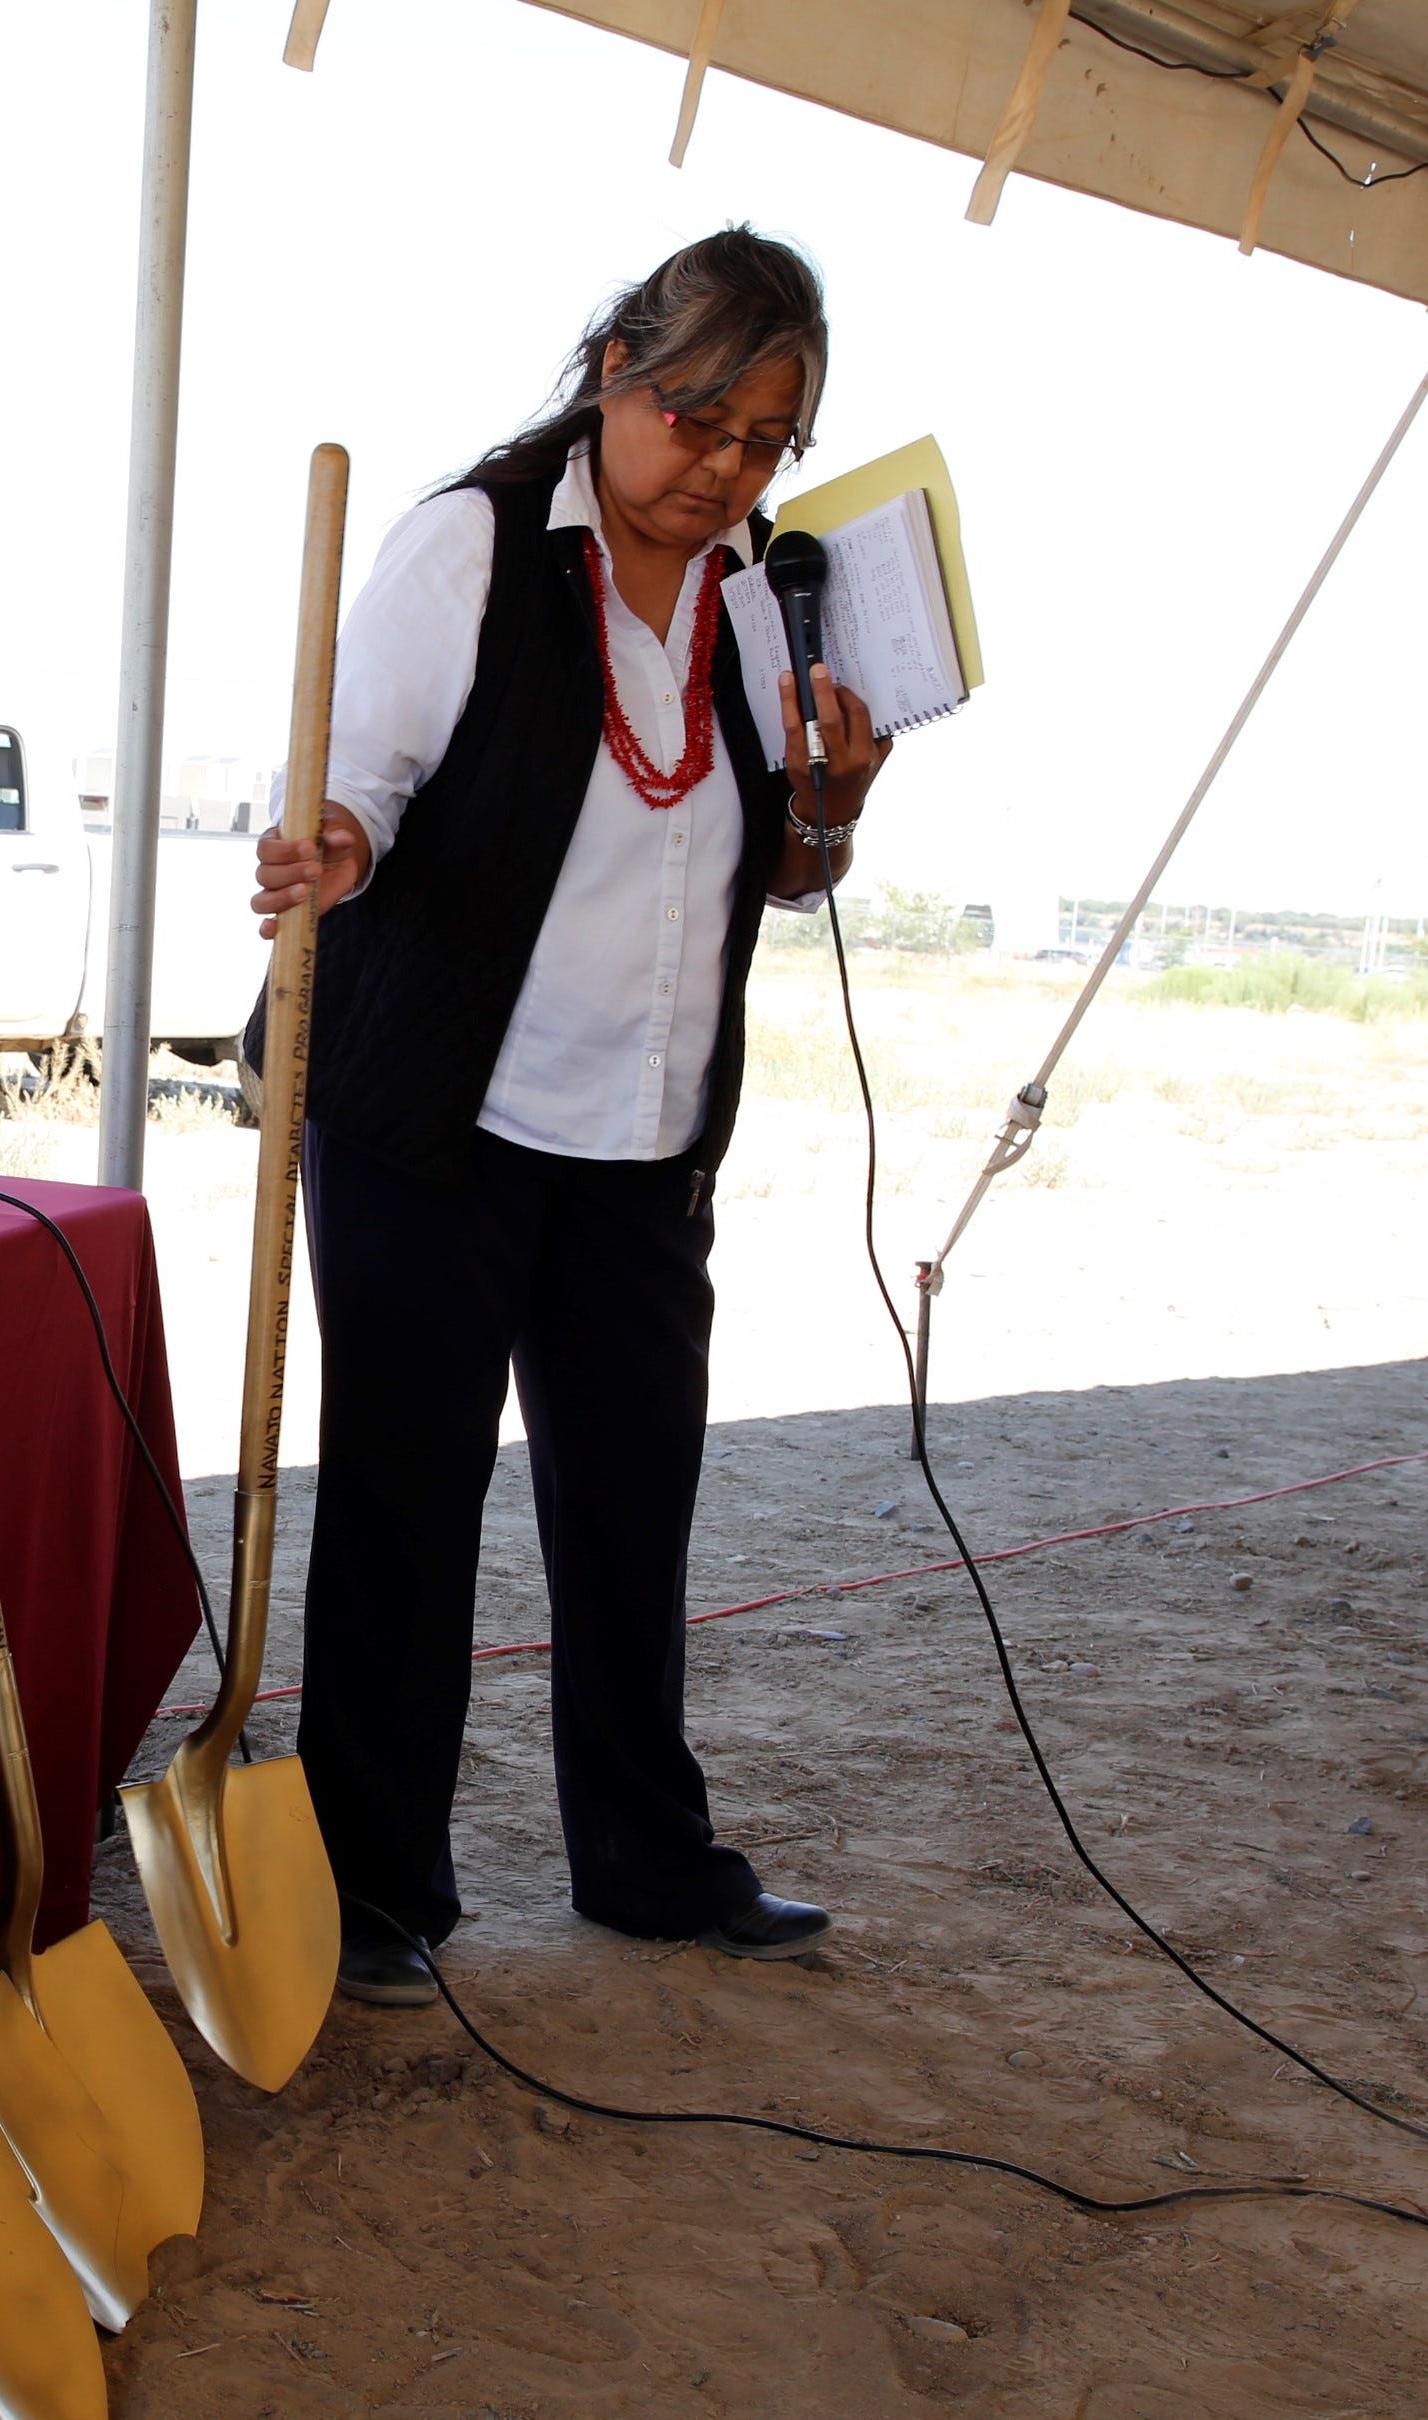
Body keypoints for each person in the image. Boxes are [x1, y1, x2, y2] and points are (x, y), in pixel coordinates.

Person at [246, 227, 892, 2005]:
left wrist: (833, 803)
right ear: (616, 369)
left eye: (765, 441)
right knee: (406, 1503)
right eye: (696, 419)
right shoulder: (469, 544)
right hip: (436, 1117)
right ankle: (375, 1887)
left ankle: (647, 1861)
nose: (724, 470)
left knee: (630, 1505)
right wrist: (335, 842)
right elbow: (353, 776)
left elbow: (784, 873)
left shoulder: (764, 593)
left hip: (642, 1132)